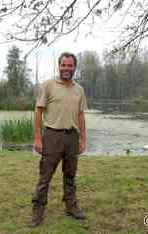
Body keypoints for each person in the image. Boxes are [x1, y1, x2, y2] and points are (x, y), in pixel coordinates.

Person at [30, 52, 87, 228]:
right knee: (45, 176)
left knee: (70, 175)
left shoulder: (79, 89)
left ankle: (71, 207)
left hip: (72, 137)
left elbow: (81, 115)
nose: (66, 68)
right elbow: (38, 111)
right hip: (52, 136)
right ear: (59, 66)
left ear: (74, 67)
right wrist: (38, 138)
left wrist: (83, 139)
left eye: (70, 66)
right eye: (64, 65)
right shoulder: (48, 85)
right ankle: (37, 212)